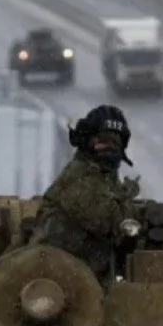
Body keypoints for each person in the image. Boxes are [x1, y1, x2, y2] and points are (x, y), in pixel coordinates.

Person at [27, 104, 142, 281]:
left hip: (84, 279)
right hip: (53, 281)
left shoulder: (105, 177)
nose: (109, 148)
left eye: (116, 143)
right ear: (87, 142)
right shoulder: (78, 178)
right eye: (102, 141)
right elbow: (112, 224)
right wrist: (127, 200)